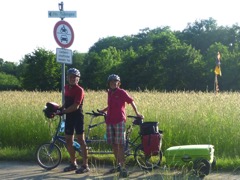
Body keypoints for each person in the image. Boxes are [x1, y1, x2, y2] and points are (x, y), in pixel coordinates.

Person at [99, 74, 143, 177]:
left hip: (119, 120)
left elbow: (131, 102)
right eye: (111, 82)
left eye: (115, 82)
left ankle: (123, 168)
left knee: (120, 144)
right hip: (109, 120)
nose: (113, 83)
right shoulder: (109, 93)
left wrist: (137, 113)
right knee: (114, 144)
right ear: (109, 84)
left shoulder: (122, 92)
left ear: (119, 83)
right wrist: (103, 110)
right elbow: (110, 105)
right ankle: (118, 164)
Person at [56, 68, 89, 174]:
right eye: (70, 77)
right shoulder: (66, 87)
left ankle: (85, 165)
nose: (72, 79)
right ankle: (73, 163)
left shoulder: (80, 90)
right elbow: (67, 101)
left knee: (81, 140)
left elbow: (76, 106)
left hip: (77, 116)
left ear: (78, 79)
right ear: (67, 78)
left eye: (74, 77)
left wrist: (64, 112)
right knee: (68, 140)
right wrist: (61, 108)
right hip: (69, 117)